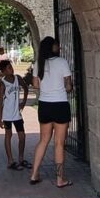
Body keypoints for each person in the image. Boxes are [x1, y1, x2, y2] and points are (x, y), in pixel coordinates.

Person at [29, 36, 74, 188]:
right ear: (52, 47)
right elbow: (68, 85)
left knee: (43, 140)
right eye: (56, 45)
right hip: (60, 104)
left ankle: (34, 173)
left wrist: (47, 86)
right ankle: (60, 179)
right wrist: (62, 87)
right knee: (59, 143)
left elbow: (35, 84)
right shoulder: (62, 62)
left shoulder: (38, 63)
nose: (59, 47)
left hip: (45, 104)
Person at [0, 58, 30, 171]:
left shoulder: (18, 78)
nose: (12, 69)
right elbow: (0, 102)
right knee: (8, 135)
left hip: (17, 114)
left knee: (22, 136)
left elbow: (26, 88)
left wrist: (23, 102)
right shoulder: (3, 83)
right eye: (9, 68)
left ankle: (21, 158)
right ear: (3, 71)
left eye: (11, 67)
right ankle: (10, 160)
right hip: (7, 114)